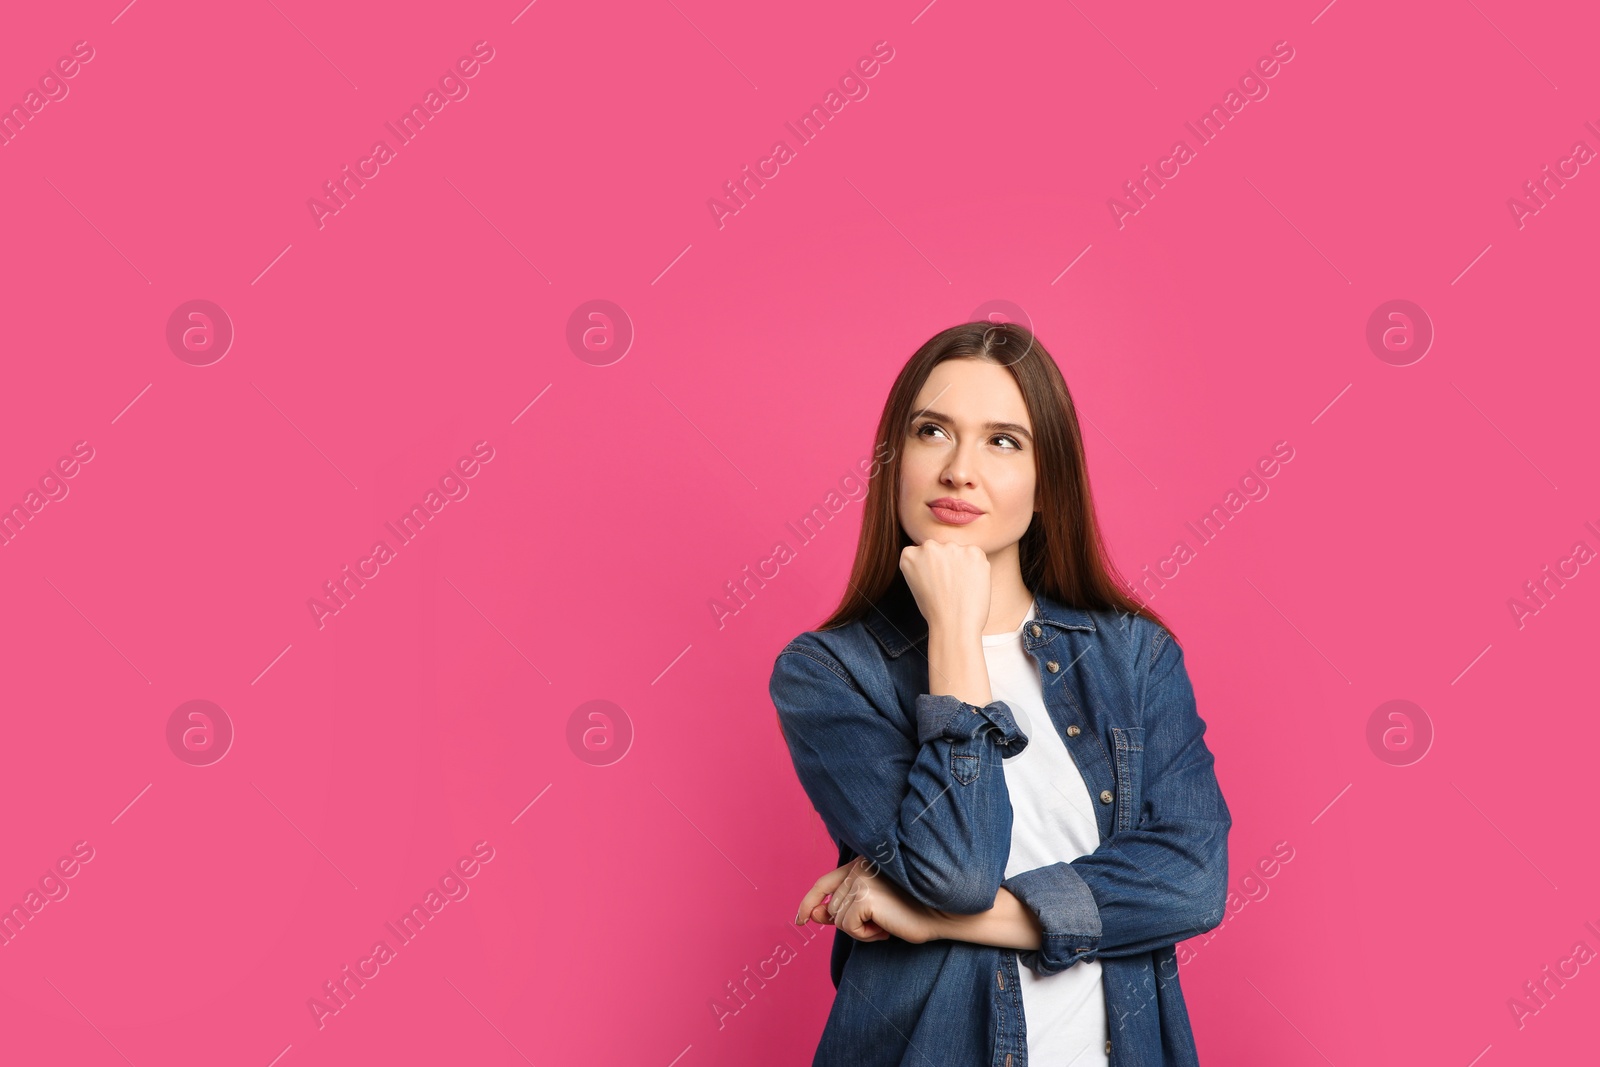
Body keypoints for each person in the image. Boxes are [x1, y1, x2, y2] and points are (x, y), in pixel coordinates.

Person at [768, 320, 1232, 1066]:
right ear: (896, 461)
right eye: (932, 432)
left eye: (1003, 440)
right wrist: (954, 634)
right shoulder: (829, 672)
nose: (959, 469)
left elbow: (1193, 880)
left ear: (1047, 484)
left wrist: (939, 918)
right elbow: (955, 870)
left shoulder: (1134, 657)